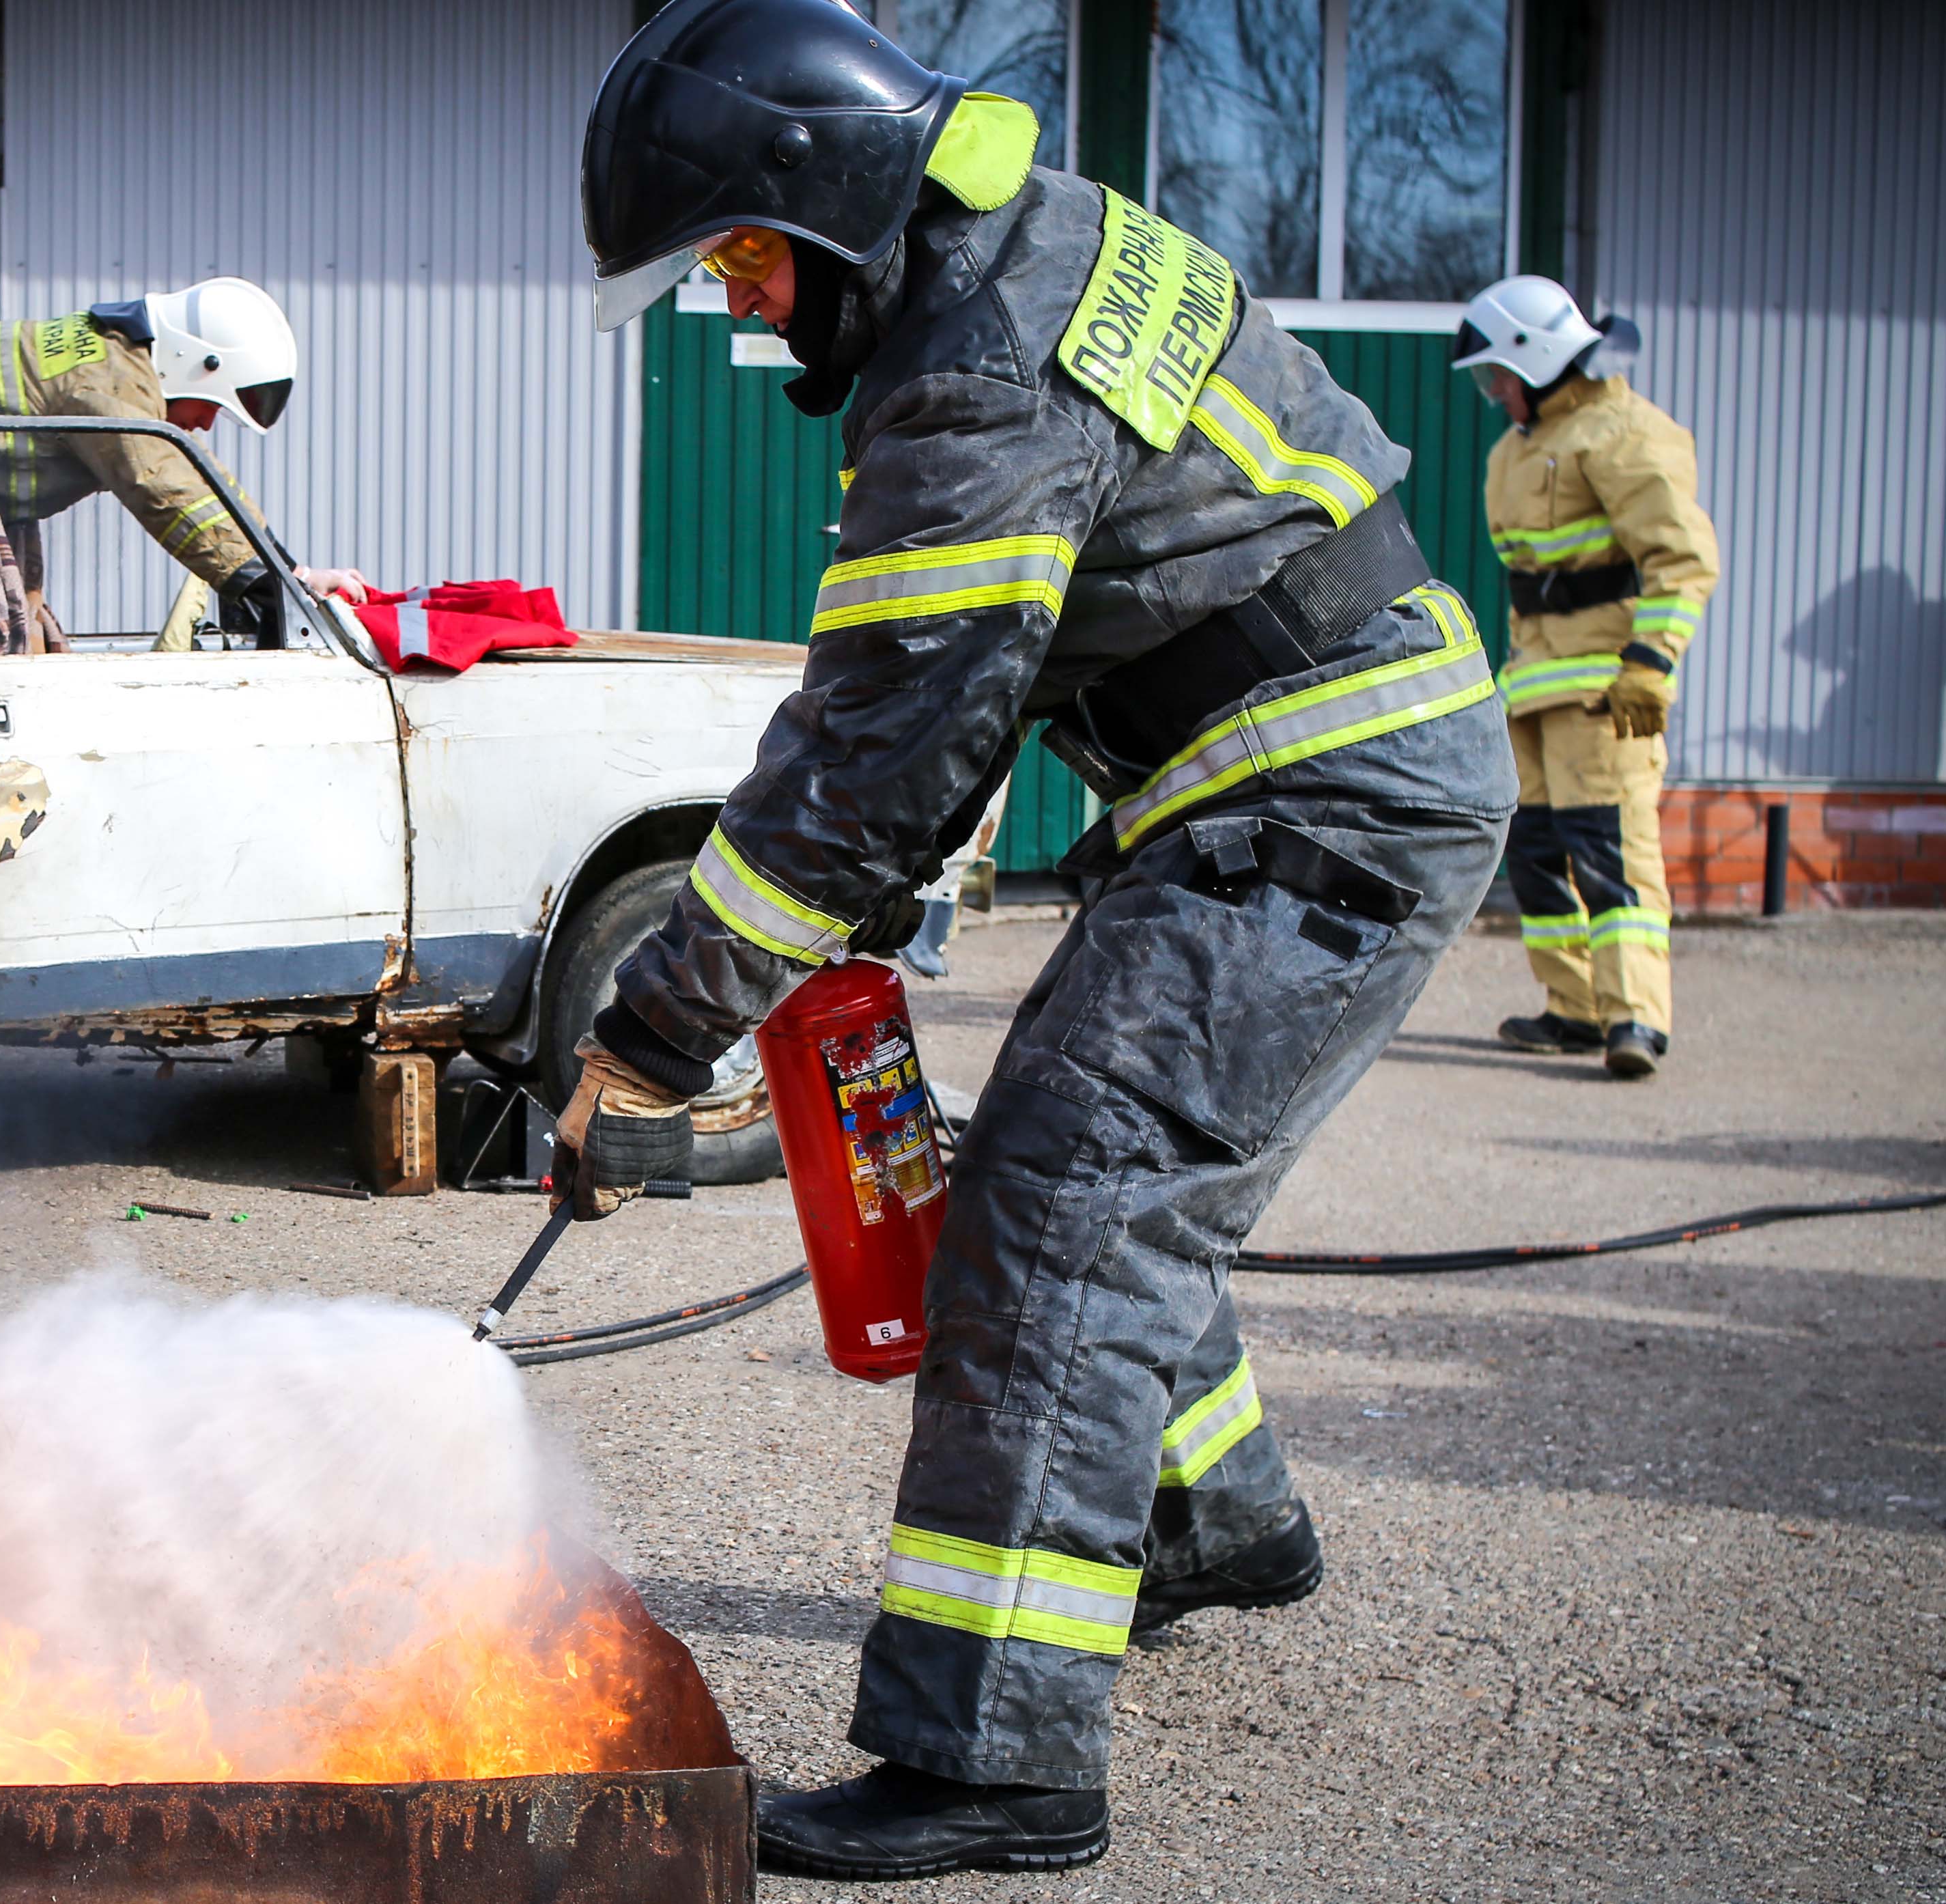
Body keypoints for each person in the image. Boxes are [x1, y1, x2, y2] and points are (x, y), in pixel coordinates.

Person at [560, 0, 1512, 1878]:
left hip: (1323, 791)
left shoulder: (976, 367)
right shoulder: (1017, 247)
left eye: (744, 257)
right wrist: (867, 856)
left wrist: (650, 1034)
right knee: (1089, 1162)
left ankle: (991, 1752)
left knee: (1061, 1214)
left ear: (830, 198)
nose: (744, 307)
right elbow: (957, 689)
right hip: (1301, 754)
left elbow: (879, 744)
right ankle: (1210, 1511)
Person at [0, 281, 368, 654]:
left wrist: (290, 570)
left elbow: (194, 474)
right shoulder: (109, 381)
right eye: (211, 407)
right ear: (196, 364)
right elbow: (166, 485)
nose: (206, 424)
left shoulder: (115, 360)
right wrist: (267, 581)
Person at [1457, 275, 1721, 1077]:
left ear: (1539, 361)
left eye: (1500, 375)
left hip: (1607, 692)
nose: (1495, 392)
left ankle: (1635, 1018)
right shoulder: (1515, 452)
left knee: (1610, 852)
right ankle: (1573, 1009)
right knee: (1537, 854)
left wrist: (1651, 664)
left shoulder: (1625, 433)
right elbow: (1527, 584)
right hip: (1533, 689)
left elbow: (1682, 561)